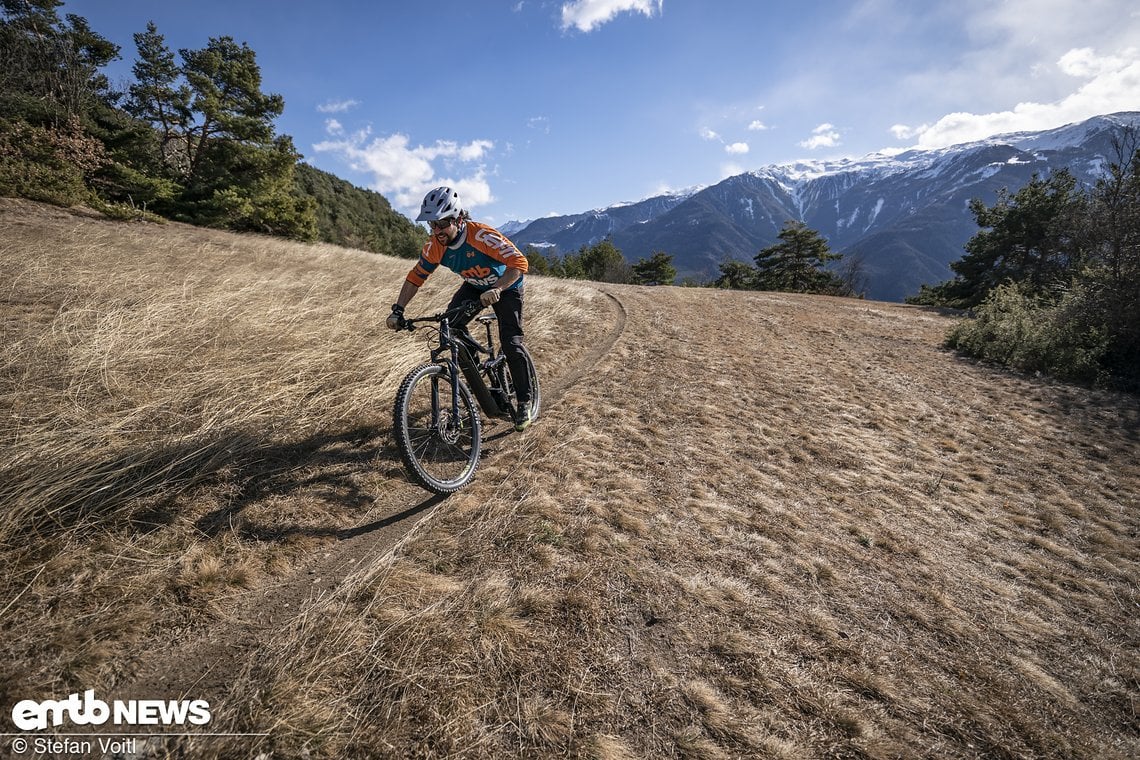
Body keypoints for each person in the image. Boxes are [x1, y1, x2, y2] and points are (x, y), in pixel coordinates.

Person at [387, 186, 535, 431]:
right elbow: (416, 277)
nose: (437, 231)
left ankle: (524, 400)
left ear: (457, 219)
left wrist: (498, 288)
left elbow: (519, 263)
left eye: (442, 224)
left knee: (511, 341)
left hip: (507, 285)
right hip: (475, 286)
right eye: (431, 225)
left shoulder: (481, 236)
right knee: (451, 326)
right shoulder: (435, 246)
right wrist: (398, 309)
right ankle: (478, 374)